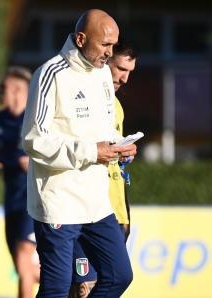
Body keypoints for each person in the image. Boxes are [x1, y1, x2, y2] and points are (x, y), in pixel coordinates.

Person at [21, 9, 137, 297]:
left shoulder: (101, 76)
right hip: (59, 203)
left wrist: (120, 145)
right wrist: (90, 152)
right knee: (56, 290)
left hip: (97, 203)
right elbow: (33, 141)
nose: (110, 53)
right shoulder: (50, 74)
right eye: (105, 45)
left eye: (113, 45)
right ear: (81, 38)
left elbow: (103, 130)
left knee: (119, 276)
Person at [68, 35, 138, 298]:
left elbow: (114, 163)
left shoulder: (115, 106)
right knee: (81, 288)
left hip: (113, 215)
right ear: (105, 59)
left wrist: (126, 151)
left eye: (130, 72)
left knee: (109, 283)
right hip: (82, 212)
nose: (124, 79)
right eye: (121, 69)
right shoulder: (78, 96)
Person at [0, 66, 39, 298]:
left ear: (18, 90)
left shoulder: (37, 119)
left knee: (22, 258)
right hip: (12, 201)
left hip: (35, 201)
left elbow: (58, 153)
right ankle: (71, 281)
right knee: (24, 268)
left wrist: (36, 162)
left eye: (3, 86)